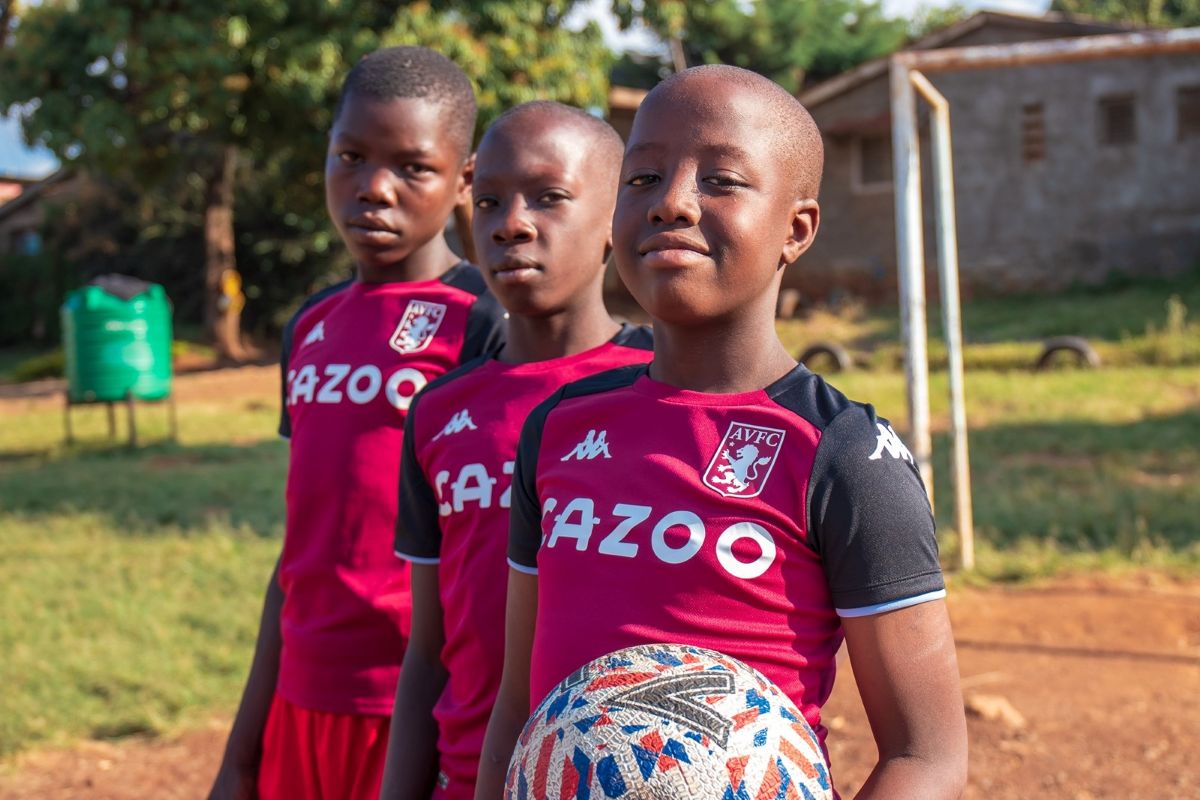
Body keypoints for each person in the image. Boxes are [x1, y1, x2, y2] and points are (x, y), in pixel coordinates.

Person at [477, 65, 968, 800]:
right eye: (643, 178)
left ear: (796, 230)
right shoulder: (557, 428)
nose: (671, 202)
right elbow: (518, 709)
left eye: (722, 181)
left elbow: (926, 755)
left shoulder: (844, 455)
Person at [209, 46, 505, 800]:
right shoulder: (309, 325)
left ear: (464, 180)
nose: (373, 187)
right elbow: (299, 547)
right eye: (351, 157)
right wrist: (241, 754)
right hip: (302, 695)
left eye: (412, 167)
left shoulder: (485, 325)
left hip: (417, 704)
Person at [380, 101, 653, 800]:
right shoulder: (438, 412)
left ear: (615, 219)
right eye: (489, 201)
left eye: (549, 197)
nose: (511, 224)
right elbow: (427, 651)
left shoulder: (665, 391)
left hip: (619, 779)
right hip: (468, 775)